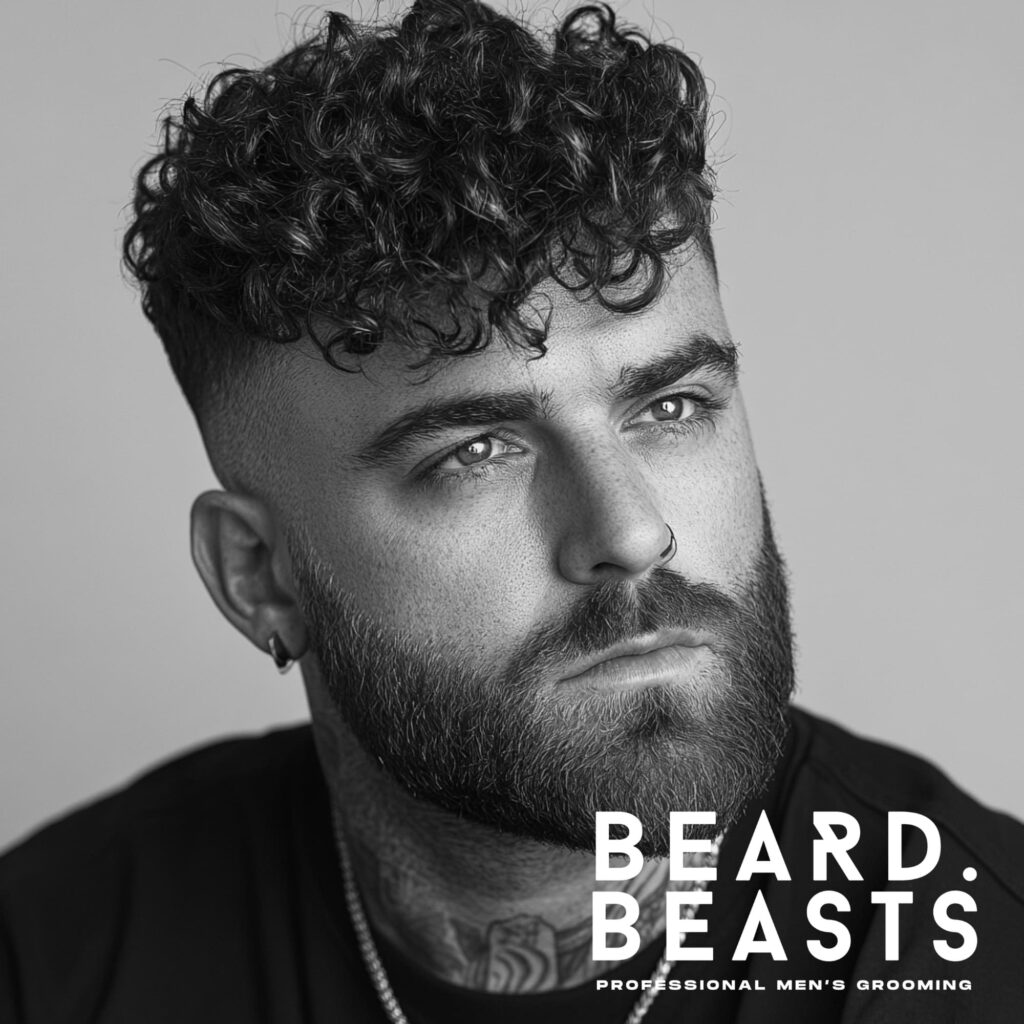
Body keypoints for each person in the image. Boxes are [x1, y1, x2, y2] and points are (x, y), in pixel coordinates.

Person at [1, 1, 1021, 1020]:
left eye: (671, 406)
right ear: (259, 574)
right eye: (474, 451)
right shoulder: (56, 958)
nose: (630, 532)